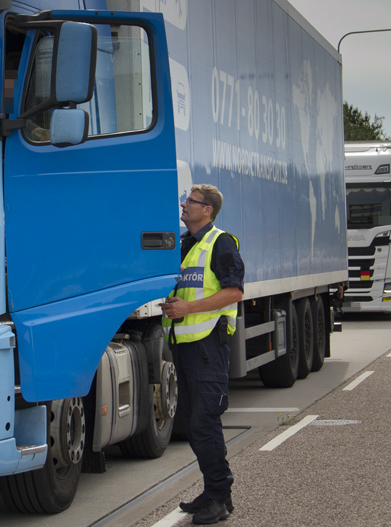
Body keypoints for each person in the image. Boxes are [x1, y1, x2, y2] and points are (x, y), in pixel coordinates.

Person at [159, 184, 244, 525]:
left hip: (208, 346)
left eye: (190, 201)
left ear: (207, 209)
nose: (183, 204)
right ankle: (212, 492)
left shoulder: (221, 242)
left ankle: (220, 497)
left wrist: (188, 307)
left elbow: (234, 291)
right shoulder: (183, 244)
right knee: (194, 426)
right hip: (185, 345)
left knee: (204, 423)